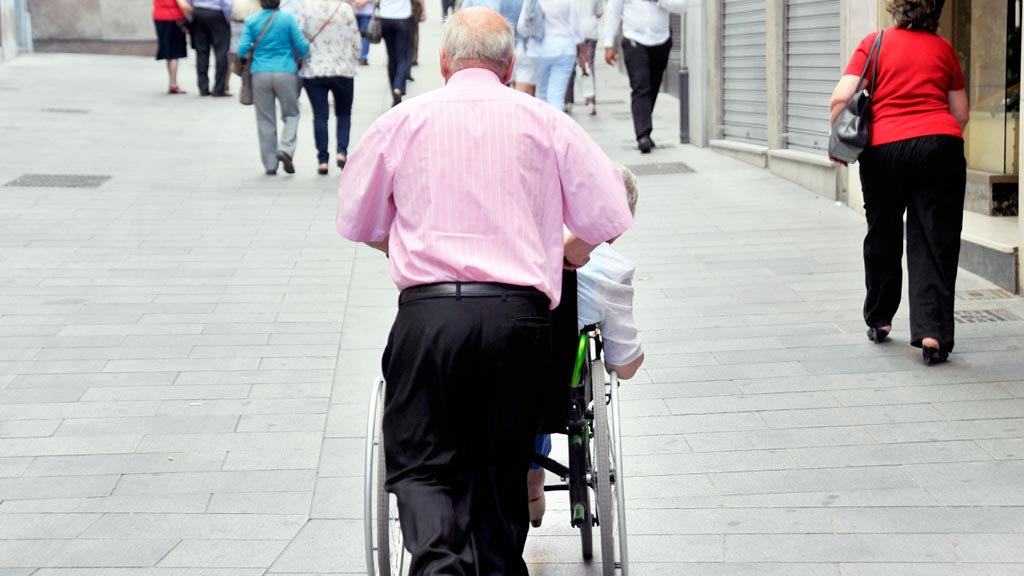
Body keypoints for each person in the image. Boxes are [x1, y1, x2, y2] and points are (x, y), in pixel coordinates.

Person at [336, 8, 633, 574]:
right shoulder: (546, 122)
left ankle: (439, 565)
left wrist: (411, 249)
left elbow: (360, 220)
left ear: (443, 62)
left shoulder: (401, 122)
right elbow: (612, 209)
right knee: (503, 463)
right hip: (518, 318)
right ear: (511, 65)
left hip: (430, 315)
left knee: (421, 462)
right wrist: (565, 253)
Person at [829, 0, 967, 365]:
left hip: (884, 149)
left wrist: (840, 141)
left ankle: (880, 319)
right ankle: (933, 334)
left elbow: (841, 97)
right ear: (935, 13)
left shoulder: (873, 43)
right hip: (939, 144)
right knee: (935, 237)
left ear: (896, 9)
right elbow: (961, 113)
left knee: (883, 233)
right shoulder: (945, 50)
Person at [528, 165, 645, 527]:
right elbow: (625, 366)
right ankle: (532, 485)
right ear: (620, 225)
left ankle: (529, 481)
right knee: (547, 382)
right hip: (551, 390)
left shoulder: (523, 239)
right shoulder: (610, 270)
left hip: (488, 367)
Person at [238, 0, 310, 175]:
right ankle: (285, 148)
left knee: (265, 118)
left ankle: (270, 164)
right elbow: (302, 46)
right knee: (291, 114)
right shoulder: (288, 19)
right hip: (286, 71)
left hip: (260, 73)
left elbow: (241, 49)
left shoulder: (252, 20)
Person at [603, 0, 686, 152]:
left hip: (661, 40)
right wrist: (609, 43)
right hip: (633, 39)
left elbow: (682, 6)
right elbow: (613, 11)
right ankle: (643, 135)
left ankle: (645, 129)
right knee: (641, 85)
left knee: (653, 86)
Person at [297, 0, 362, 175]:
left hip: (314, 69)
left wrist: (302, 59)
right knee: (343, 113)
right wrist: (354, 58)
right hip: (342, 69)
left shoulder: (305, 8)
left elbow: (299, 38)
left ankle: (323, 160)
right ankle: (342, 152)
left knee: (320, 115)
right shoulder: (345, 9)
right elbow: (355, 39)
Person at [518, 0, 584, 109]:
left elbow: (521, 26)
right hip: (564, 47)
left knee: (542, 92)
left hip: (537, 49)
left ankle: (544, 118)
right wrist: (582, 49)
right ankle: (555, 118)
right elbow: (575, 26)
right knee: (557, 94)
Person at [375, 0, 426, 106]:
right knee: (402, 57)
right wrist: (423, 9)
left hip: (385, 17)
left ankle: (394, 91)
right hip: (402, 17)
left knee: (391, 57)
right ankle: (397, 87)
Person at [563, 0, 601, 114]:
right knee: (588, 64)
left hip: (571, 31)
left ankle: (568, 101)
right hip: (589, 30)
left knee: (569, 66)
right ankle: (590, 100)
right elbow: (599, 12)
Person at [190, 0, 234, 96]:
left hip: (198, 13)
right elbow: (227, 3)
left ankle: (203, 87)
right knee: (221, 51)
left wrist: (191, 15)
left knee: (201, 52)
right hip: (216, 14)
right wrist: (229, 16)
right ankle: (219, 88)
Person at [153, 0, 193, 94]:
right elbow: (183, 5)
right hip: (174, 19)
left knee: (168, 52)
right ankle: (173, 84)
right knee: (174, 52)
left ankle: (171, 82)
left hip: (159, 17)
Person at [229, 0, 263, 95]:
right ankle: (226, 83)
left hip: (244, 22)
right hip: (242, 22)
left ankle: (226, 83)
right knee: (235, 55)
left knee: (235, 54)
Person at [354, 0, 375, 65]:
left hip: (360, 10)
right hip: (364, 11)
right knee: (364, 36)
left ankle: (360, 57)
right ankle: (362, 58)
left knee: (359, 35)